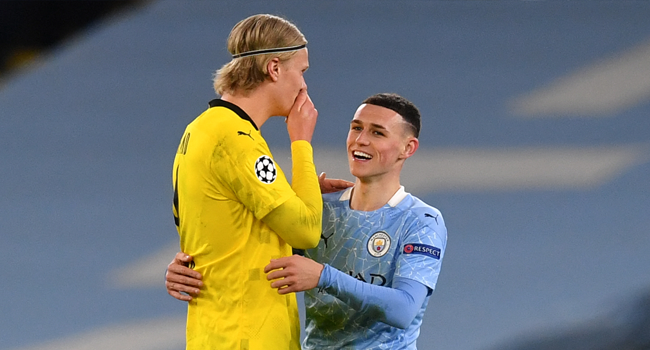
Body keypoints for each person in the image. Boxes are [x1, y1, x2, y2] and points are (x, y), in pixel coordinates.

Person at [168, 93, 448, 349]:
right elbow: (254, 258)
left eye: (378, 133)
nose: (361, 140)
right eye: (356, 127)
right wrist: (194, 265)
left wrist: (323, 276)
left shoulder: (421, 220)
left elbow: (404, 308)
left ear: (408, 148)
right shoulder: (321, 210)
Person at [171, 13, 339, 350]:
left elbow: (223, 226)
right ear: (274, 68)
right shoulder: (236, 139)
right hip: (247, 335)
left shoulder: (201, 129)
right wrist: (301, 142)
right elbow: (306, 229)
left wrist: (298, 193)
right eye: (301, 71)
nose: (304, 86)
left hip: (215, 332)